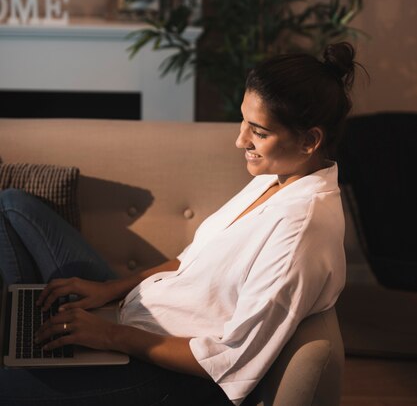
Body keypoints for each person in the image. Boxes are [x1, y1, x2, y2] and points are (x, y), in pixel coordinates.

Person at [0, 42, 360, 406]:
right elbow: (190, 261)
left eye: (259, 132)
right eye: (243, 121)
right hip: (131, 314)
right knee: (13, 205)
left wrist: (109, 336)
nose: (240, 140)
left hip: (162, 373)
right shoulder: (277, 179)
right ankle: (34, 340)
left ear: (310, 140)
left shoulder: (300, 232)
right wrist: (109, 290)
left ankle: (34, 349)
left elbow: (231, 361)